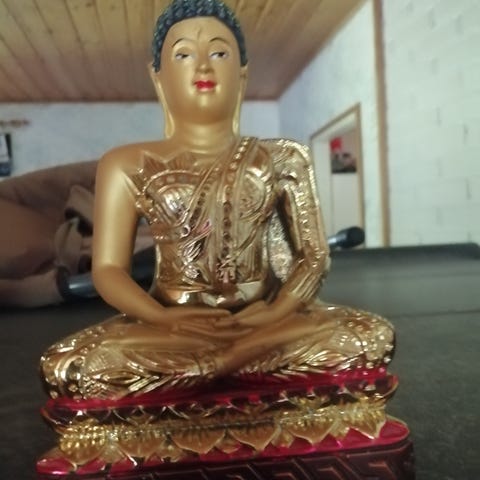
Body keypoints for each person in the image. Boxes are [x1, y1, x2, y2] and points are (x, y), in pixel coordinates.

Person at [40, 0, 394, 401]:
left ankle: (210, 372)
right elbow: (108, 270)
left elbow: (313, 257)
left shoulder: (284, 158)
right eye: (184, 55)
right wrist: (161, 318)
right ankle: (240, 368)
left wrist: (275, 312)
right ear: (158, 76)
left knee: (371, 337)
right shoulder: (124, 164)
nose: (203, 67)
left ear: (242, 72)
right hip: (171, 328)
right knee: (69, 367)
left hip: (267, 321)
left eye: (220, 53)